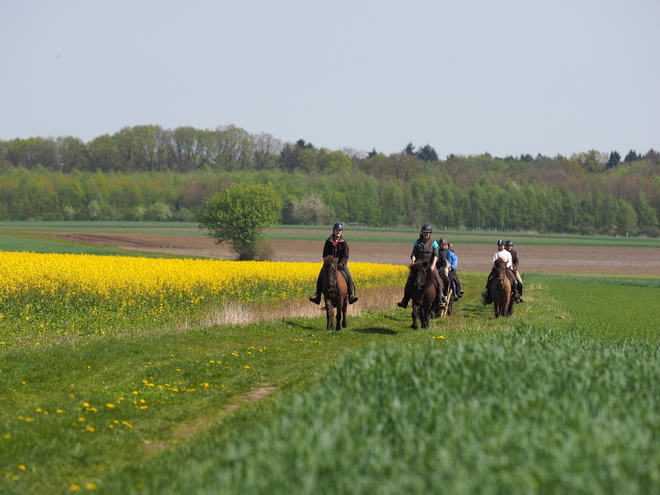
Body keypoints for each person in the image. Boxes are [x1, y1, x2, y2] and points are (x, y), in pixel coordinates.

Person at [397, 225, 446, 310]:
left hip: (430, 265)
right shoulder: (417, 242)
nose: (426, 234)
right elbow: (413, 254)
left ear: (430, 234)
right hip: (419, 265)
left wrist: (433, 265)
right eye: (425, 232)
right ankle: (405, 300)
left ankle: (440, 299)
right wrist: (413, 263)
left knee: (437, 279)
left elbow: (435, 255)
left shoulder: (434, 243)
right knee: (409, 280)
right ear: (422, 233)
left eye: (428, 233)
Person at [309, 222, 358, 305]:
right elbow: (325, 254)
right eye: (336, 230)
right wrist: (329, 263)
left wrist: (341, 264)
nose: (338, 232)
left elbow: (345, 256)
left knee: (349, 276)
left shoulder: (344, 243)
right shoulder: (328, 242)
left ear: (342, 232)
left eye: (339, 230)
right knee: (320, 276)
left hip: (340, 265)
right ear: (333, 231)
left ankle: (350, 296)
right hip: (330, 265)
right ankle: (317, 297)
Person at [481, 239, 524, 304]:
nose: (501, 247)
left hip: (507, 269)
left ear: (504, 246)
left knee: (514, 280)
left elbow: (509, 261)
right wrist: (497, 267)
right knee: (490, 278)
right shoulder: (496, 253)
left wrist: (505, 267)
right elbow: (493, 261)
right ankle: (488, 293)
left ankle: (516, 294)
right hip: (497, 269)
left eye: (502, 246)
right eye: (499, 246)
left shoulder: (507, 253)